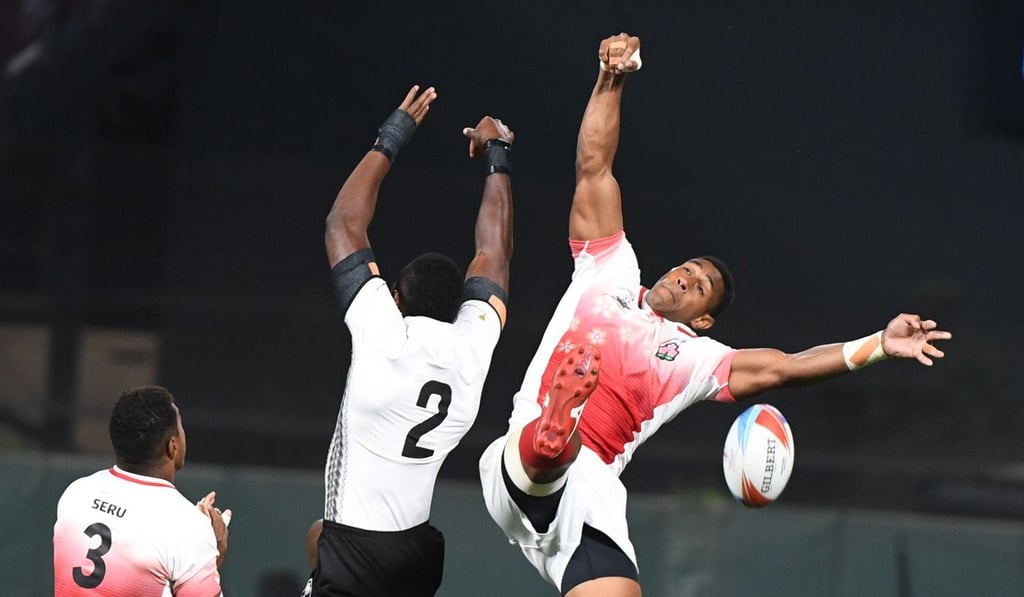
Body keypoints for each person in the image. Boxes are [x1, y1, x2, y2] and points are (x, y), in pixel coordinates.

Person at [478, 33, 953, 597]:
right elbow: (594, 169)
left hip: (590, 490)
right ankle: (556, 428)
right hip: (525, 460)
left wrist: (879, 342)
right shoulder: (609, 268)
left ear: (703, 321)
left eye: (701, 287)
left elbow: (785, 367)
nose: (685, 277)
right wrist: (612, 78)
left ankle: (560, 433)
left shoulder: (696, 359)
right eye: (686, 268)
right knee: (549, 451)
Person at [312, 85, 514, 597]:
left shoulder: (385, 330)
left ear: (397, 295)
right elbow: (494, 252)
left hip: (357, 549)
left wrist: (393, 135)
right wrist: (497, 155)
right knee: (314, 537)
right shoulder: (473, 344)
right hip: (417, 553)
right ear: (457, 307)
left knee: (320, 538)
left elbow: (344, 221)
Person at [53, 386, 231, 596]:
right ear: (172, 445)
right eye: (180, 428)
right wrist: (210, 557)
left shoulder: (76, 494)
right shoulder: (188, 527)